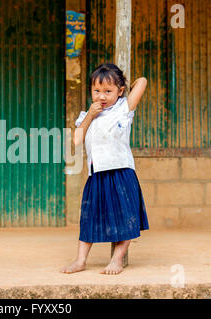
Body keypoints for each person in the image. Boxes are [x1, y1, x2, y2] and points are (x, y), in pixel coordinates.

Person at [61, 63, 149, 275]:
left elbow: (143, 81)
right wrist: (91, 115)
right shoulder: (86, 116)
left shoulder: (124, 109)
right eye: (96, 91)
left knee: (124, 218)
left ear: (119, 92)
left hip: (121, 172)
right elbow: (77, 140)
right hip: (96, 174)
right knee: (89, 218)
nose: (102, 96)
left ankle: (117, 260)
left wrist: (122, 92)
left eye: (108, 91)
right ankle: (81, 260)